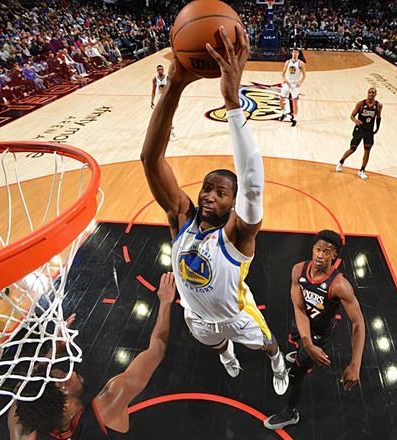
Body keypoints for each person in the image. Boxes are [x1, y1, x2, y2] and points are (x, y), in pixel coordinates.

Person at [140, 25, 289, 395]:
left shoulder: (238, 234)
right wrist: (174, 86)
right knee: (217, 346)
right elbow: (150, 159)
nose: (209, 196)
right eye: (207, 188)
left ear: (233, 203)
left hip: (238, 316)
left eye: (220, 192)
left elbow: (252, 182)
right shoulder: (181, 219)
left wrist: (233, 104)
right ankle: (227, 356)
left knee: (268, 343)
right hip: (197, 318)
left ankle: (277, 363)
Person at [8, 272, 176, 439]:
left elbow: (21, 396)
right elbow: (157, 350)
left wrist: (53, 353)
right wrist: (165, 302)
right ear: (66, 405)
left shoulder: (32, 424)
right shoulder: (110, 403)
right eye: (65, 375)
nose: (73, 372)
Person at [264, 230, 365, 429]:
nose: (320, 255)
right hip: (302, 326)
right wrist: (306, 342)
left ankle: (290, 413)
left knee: (296, 374)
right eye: (318, 249)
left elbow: (358, 324)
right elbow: (299, 308)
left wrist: (355, 364)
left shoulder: (340, 286)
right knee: (300, 345)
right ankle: (303, 350)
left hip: (319, 335)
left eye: (326, 252)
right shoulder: (298, 270)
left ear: (334, 255)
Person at [335, 87, 383, 180]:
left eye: (373, 92)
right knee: (353, 148)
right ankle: (341, 162)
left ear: (375, 94)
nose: (371, 94)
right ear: (367, 93)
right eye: (370, 92)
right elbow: (352, 116)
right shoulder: (361, 104)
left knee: (367, 151)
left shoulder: (378, 105)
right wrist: (355, 120)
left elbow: (378, 117)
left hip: (369, 132)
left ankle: (362, 170)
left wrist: (377, 128)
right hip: (359, 130)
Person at [279, 49, 306, 127]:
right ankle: (283, 113)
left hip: (294, 85)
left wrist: (300, 82)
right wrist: (284, 79)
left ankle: (294, 118)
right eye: (293, 52)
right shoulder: (287, 62)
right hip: (287, 84)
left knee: (294, 102)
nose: (294, 54)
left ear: (298, 54)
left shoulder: (300, 63)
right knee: (281, 99)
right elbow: (283, 73)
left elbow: (304, 74)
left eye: (296, 52)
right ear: (292, 53)